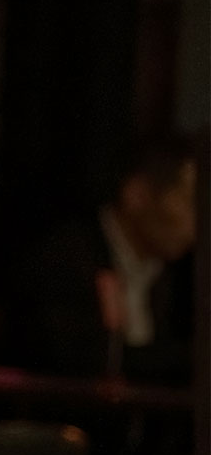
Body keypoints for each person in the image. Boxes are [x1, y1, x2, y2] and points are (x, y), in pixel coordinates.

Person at [19, 136, 195, 387]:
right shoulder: (69, 258)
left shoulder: (172, 275)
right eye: (190, 201)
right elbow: (81, 367)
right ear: (137, 195)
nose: (199, 222)